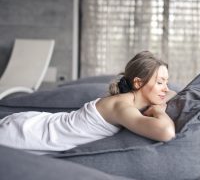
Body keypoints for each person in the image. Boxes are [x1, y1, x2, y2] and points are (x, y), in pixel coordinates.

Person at [0, 51, 176, 154]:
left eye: (166, 82)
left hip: (37, 125)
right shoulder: (121, 107)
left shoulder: (131, 100)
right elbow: (167, 132)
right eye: (160, 82)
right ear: (138, 83)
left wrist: (159, 100)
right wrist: (159, 110)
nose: (165, 89)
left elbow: (174, 93)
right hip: (29, 132)